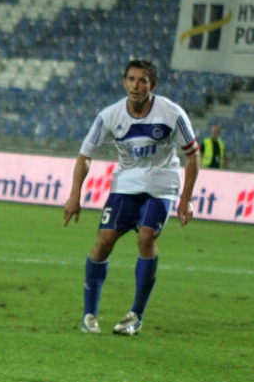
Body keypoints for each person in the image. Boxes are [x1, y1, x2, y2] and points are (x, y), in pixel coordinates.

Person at [63, 59, 199, 336]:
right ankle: (90, 315)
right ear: (124, 81)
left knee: (146, 237)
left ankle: (135, 314)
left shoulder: (172, 114)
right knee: (103, 242)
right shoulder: (110, 115)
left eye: (142, 81)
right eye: (132, 79)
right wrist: (74, 195)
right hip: (125, 184)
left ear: (153, 86)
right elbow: (85, 155)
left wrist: (186, 198)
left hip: (162, 185)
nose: (136, 86)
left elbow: (192, 154)